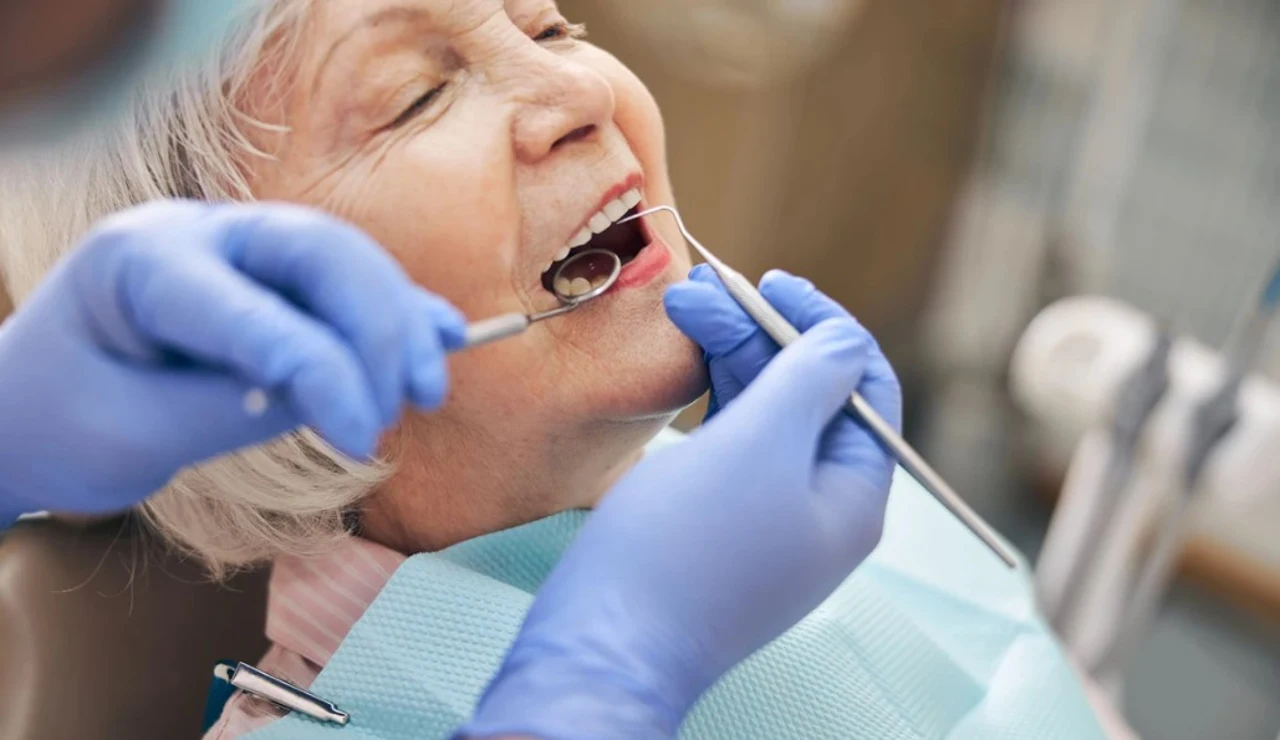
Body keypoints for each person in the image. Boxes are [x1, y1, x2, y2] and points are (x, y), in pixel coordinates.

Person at [0, 0, 904, 736]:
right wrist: (612, 672)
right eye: (416, 96)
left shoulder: (807, 517)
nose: (578, 89)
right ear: (239, 309)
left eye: (548, 26)